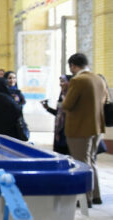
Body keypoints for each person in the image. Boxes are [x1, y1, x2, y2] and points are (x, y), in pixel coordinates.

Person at [62, 53, 106, 207]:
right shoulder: (98, 78)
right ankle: (96, 195)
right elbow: (105, 99)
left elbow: (68, 105)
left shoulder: (78, 80)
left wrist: (65, 95)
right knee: (91, 161)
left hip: (80, 129)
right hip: (97, 127)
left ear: (73, 66)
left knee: (81, 162)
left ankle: (84, 198)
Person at [41, 75, 73, 155]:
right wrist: (47, 108)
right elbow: (59, 114)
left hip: (68, 129)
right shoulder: (61, 95)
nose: (61, 84)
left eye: (63, 81)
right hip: (59, 130)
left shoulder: (71, 96)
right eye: (60, 82)